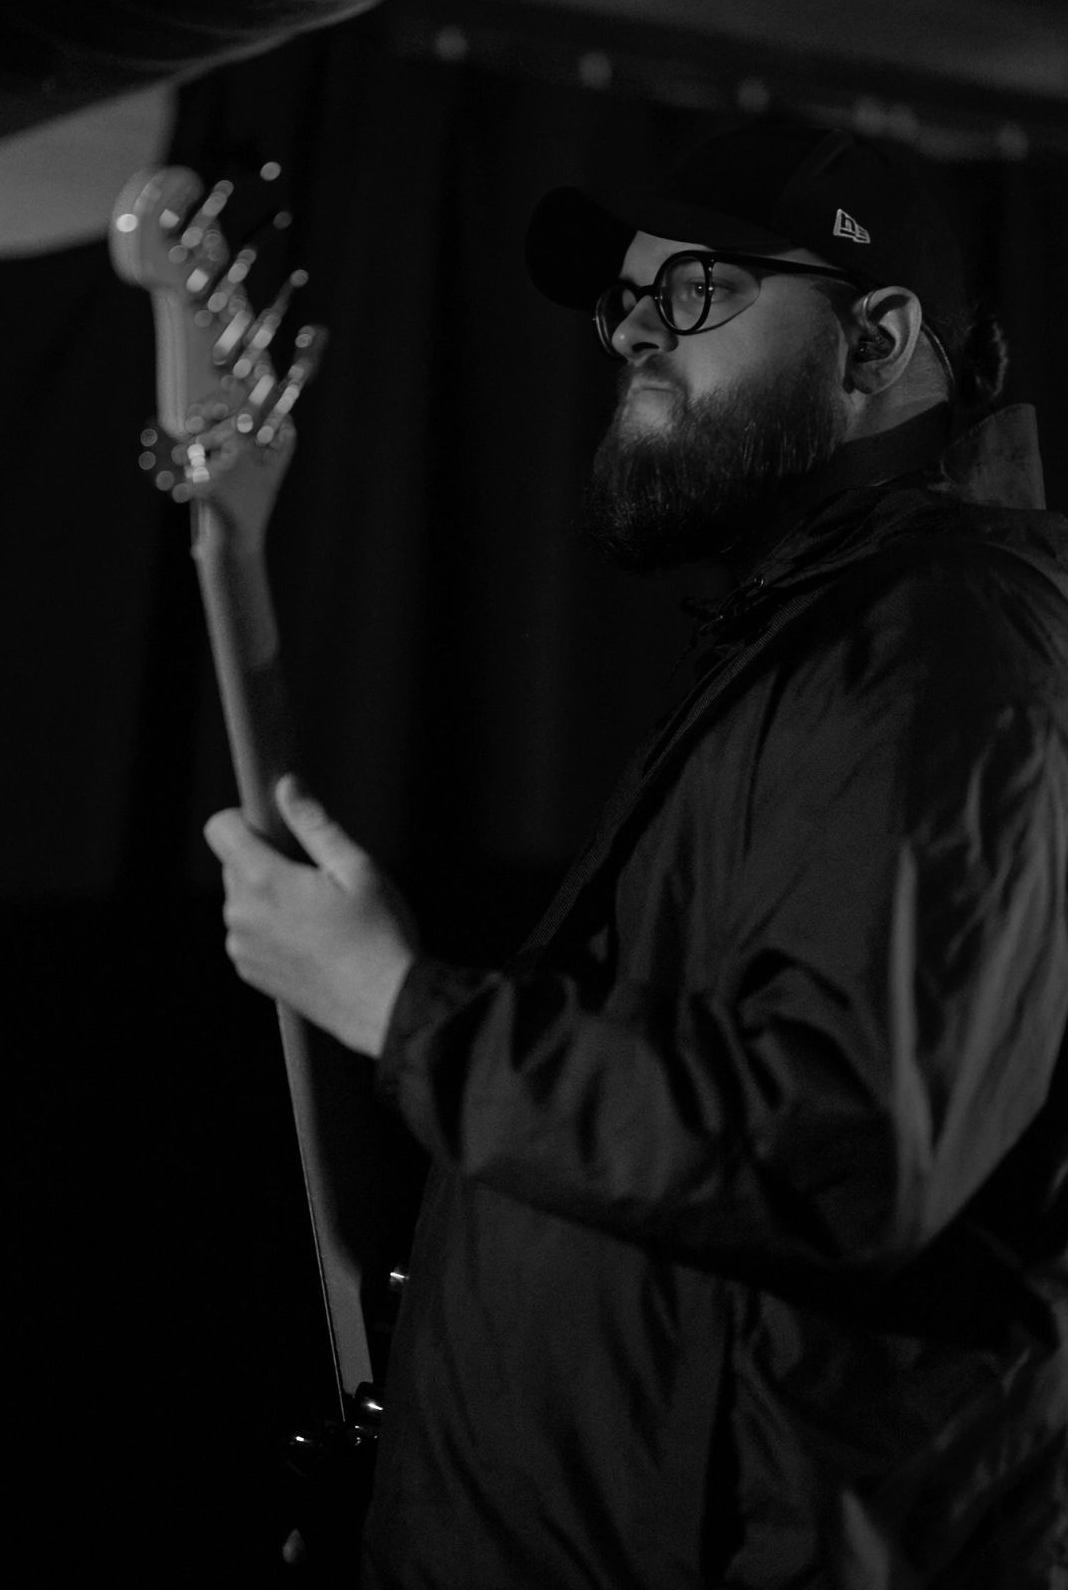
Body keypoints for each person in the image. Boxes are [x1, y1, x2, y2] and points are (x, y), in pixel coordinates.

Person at [203, 119, 1068, 1588]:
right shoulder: (827, 636)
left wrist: (402, 1011)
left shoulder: (939, 642)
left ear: (875, 341)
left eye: (696, 291)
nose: (632, 336)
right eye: (624, 304)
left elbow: (846, 1151)